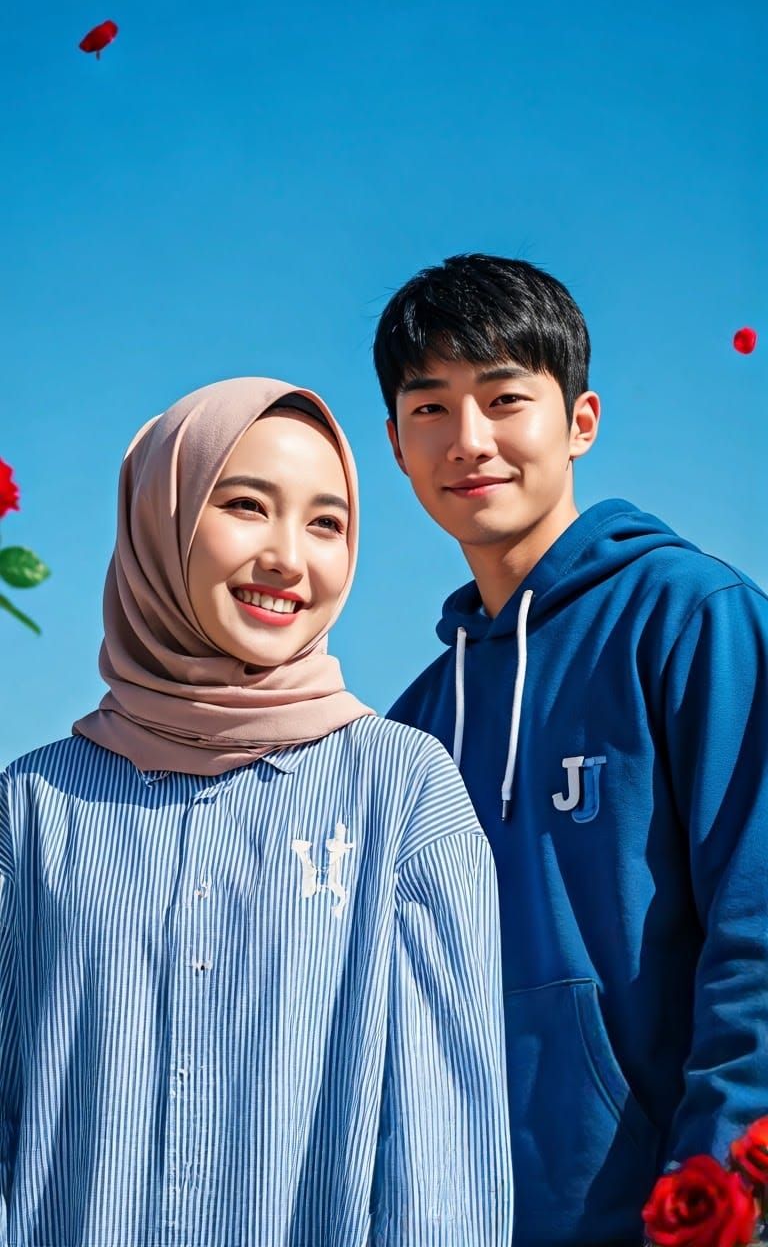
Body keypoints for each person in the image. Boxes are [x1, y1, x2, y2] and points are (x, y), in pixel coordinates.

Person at [0, 377, 513, 1247]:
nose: (288, 557)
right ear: (160, 518)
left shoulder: (402, 792)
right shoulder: (32, 809)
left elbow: (444, 1169)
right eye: (245, 505)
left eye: (326, 523)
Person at [373, 253, 768, 1247]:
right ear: (396, 444)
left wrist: (719, 1203)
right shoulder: (410, 727)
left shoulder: (694, 619)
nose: (469, 440)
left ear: (580, 420)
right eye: (431, 407)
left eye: (505, 398)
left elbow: (758, 932)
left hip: (670, 1216)